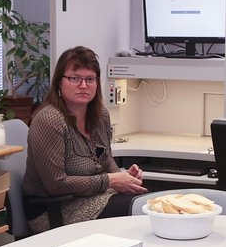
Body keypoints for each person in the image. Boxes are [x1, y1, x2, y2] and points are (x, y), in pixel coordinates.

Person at [23, 46, 146, 233]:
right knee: (138, 212)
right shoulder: (49, 120)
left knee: (148, 204)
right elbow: (56, 184)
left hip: (93, 196)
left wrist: (126, 178)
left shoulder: (100, 115)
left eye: (90, 79)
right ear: (59, 82)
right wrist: (111, 181)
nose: (83, 85)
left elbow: (106, 161)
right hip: (54, 210)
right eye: (74, 78)